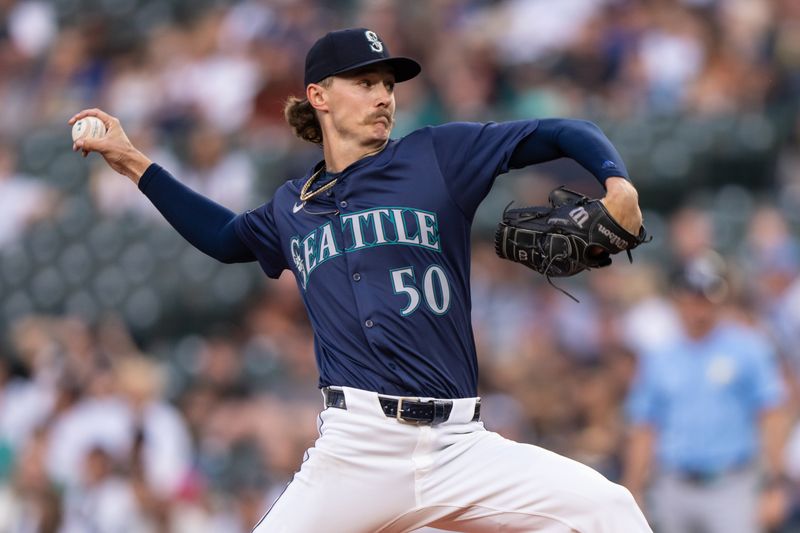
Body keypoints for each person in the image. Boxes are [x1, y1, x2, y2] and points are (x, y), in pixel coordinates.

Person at [70, 27, 651, 533]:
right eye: (365, 82)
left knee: (608, 509)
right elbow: (224, 238)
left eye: (388, 85)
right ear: (319, 96)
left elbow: (560, 131)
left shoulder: (435, 156)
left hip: (461, 446)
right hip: (357, 451)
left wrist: (616, 183)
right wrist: (135, 164)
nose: (383, 96)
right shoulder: (291, 207)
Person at [622, 251, 788, 533]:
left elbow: (772, 415)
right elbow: (644, 426)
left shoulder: (748, 347)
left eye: (706, 295)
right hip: (673, 484)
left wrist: (774, 483)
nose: (698, 306)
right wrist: (633, 488)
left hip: (732, 484)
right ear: (677, 297)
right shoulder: (660, 355)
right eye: (691, 294)